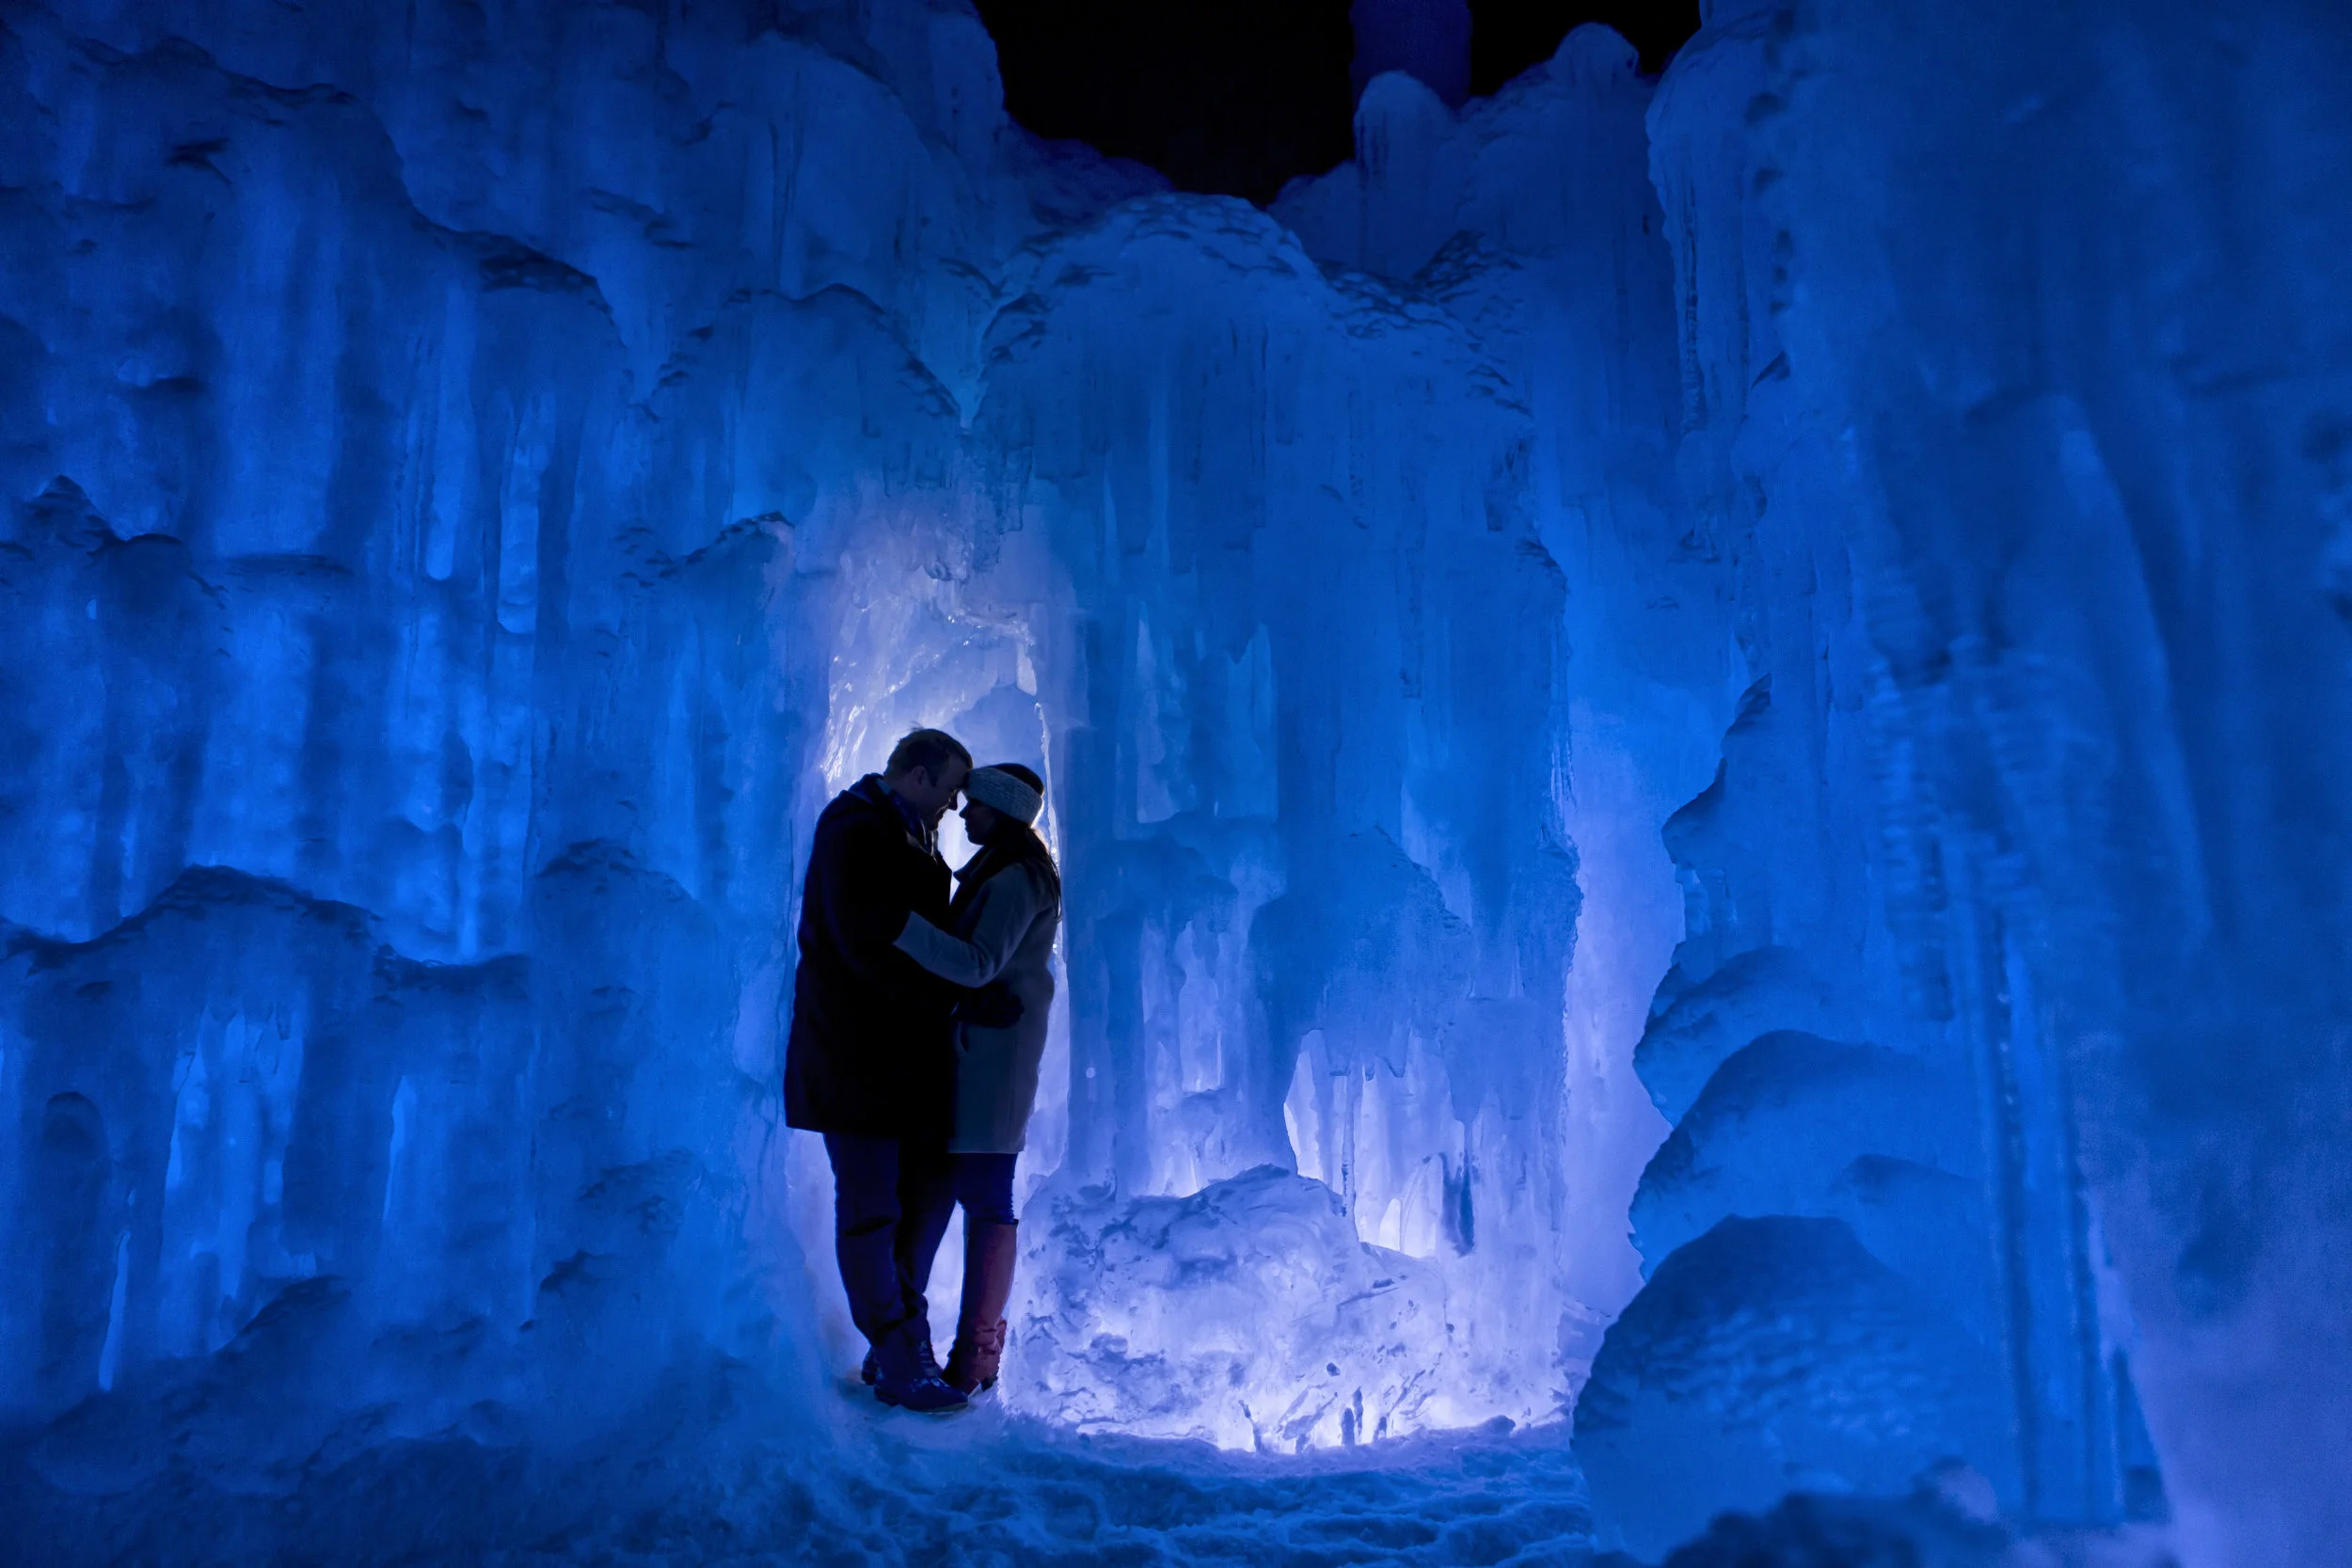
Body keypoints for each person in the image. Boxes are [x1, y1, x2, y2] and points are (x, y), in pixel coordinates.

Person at [784, 727, 973, 1413]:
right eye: (949, 789)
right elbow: (867, 941)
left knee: (930, 1187)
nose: (954, 805)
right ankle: (899, 1355)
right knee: (870, 1207)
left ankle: (898, 1342)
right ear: (918, 776)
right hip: (852, 1056)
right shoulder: (854, 826)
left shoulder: (899, 830)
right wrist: (952, 989)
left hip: (901, 1062)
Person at [890, 763, 1062, 1396]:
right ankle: (926, 1347)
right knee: (959, 1193)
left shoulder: (1015, 879)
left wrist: (899, 926)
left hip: (993, 1062)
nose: (964, 815)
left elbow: (981, 961)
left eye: (976, 806)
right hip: (980, 1055)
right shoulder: (1003, 871)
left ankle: (976, 1357)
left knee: (987, 1196)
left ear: (1004, 813)